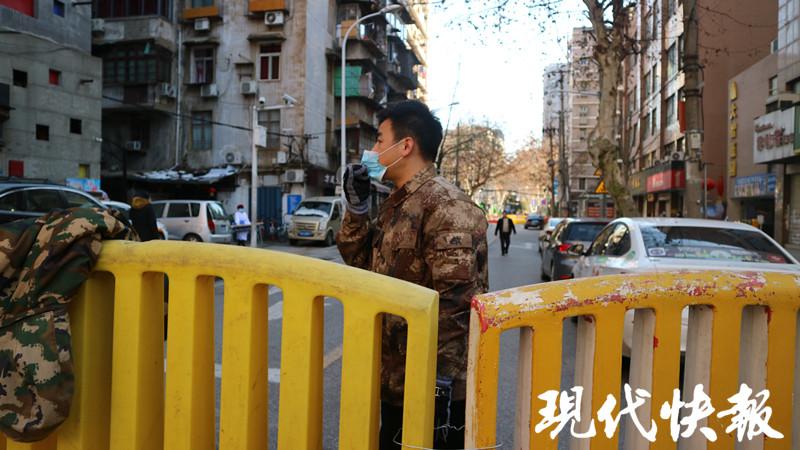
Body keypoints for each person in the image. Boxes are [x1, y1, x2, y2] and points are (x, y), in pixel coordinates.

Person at [337, 100, 488, 449]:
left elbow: (456, 308)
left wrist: (436, 389)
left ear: (405, 146)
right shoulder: (398, 204)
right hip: (397, 382)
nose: (372, 150)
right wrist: (356, 209)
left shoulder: (447, 206)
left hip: (432, 392)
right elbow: (360, 264)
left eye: (379, 140)